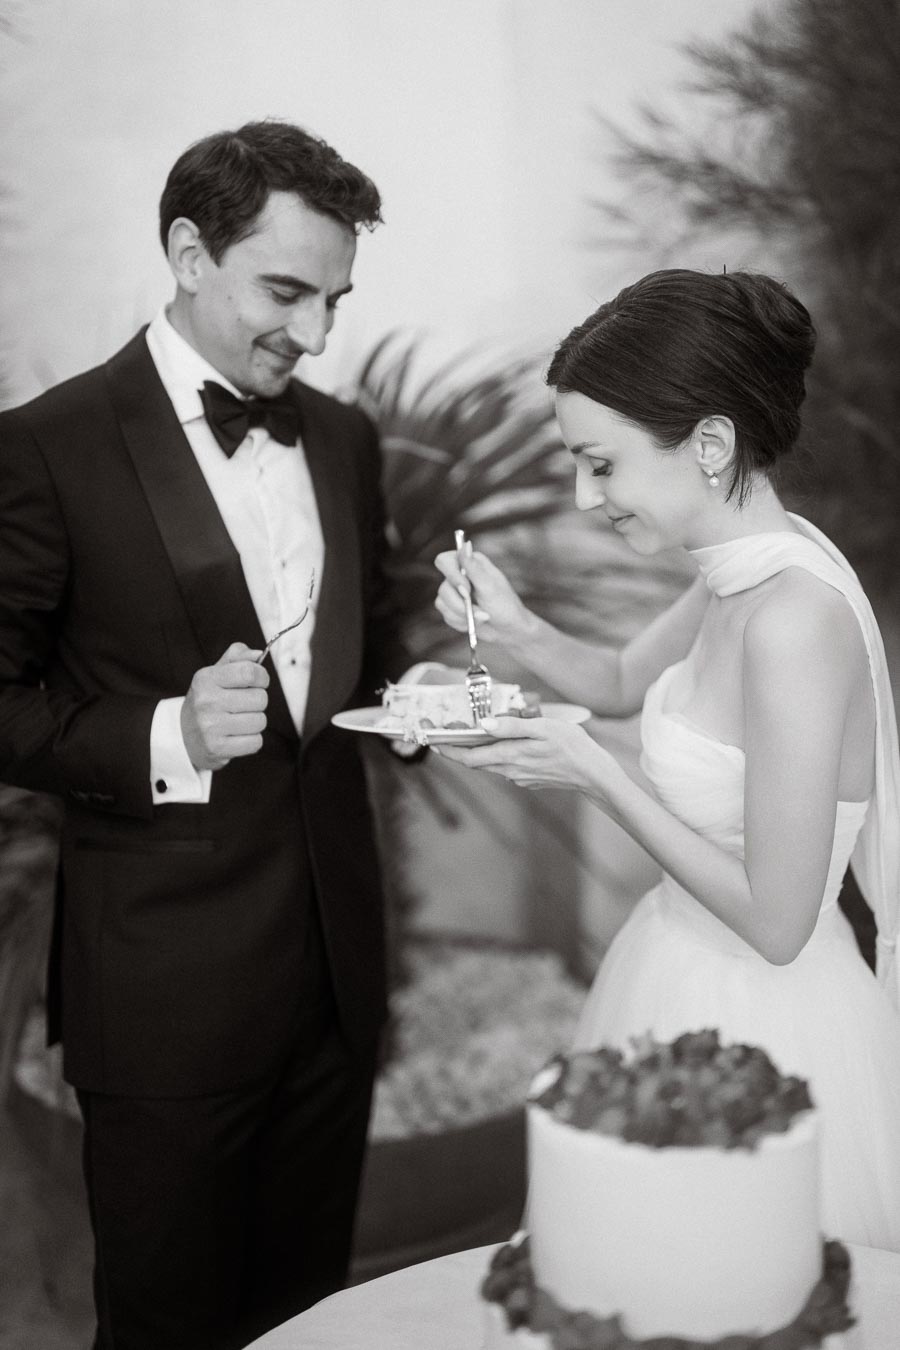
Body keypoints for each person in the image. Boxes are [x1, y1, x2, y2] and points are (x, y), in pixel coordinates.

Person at [0, 120, 412, 1349]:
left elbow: (367, 654)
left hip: (335, 985)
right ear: (188, 251)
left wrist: (436, 705)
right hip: (165, 1001)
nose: (316, 333)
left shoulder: (343, 438)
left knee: (307, 1320)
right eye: (285, 291)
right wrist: (165, 733)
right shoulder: (45, 449)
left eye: (335, 298)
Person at [434, 268, 900, 1251]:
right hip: (672, 963)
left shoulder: (792, 619)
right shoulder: (733, 576)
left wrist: (592, 770)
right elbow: (615, 682)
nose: (582, 494)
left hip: (771, 1023)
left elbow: (779, 923)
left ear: (711, 443)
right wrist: (513, 629)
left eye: (599, 465)